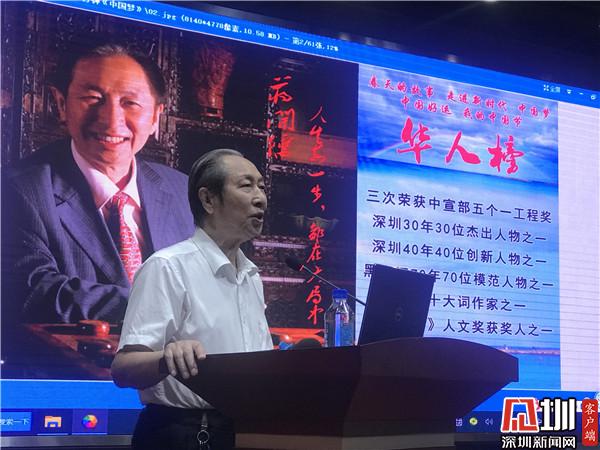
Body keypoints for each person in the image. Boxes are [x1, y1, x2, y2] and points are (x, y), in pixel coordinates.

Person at [1, 43, 195, 324]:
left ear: (155, 117)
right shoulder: (17, 191)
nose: (111, 120)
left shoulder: (185, 191)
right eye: (92, 98)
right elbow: (34, 290)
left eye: (130, 103)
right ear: (61, 104)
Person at [111, 148, 273, 450]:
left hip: (244, 431)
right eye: (246, 186)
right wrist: (166, 359)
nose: (260, 198)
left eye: (262, 187)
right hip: (183, 433)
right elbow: (123, 369)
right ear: (208, 199)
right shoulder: (168, 266)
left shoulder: (251, 276)